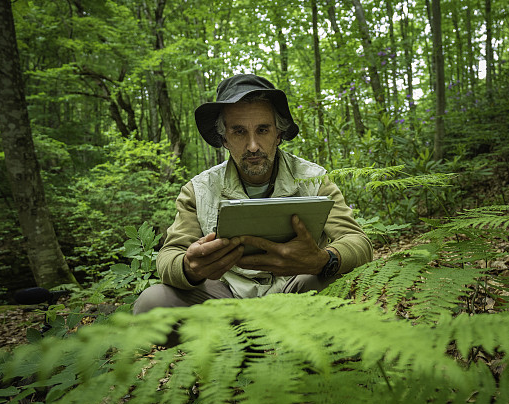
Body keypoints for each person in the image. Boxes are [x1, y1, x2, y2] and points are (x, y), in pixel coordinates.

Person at [133, 74, 372, 313]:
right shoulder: (198, 190)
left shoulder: (314, 179)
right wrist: (190, 267)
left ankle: (308, 345)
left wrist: (323, 259)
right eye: (239, 132)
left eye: (263, 130)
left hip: (299, 287)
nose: (253, 146)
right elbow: (169, 256)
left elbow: (358, 243)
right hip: (226, 295)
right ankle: (236, 344)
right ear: (224, 138)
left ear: (278, 135)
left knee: (348, 280)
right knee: (151, 304)